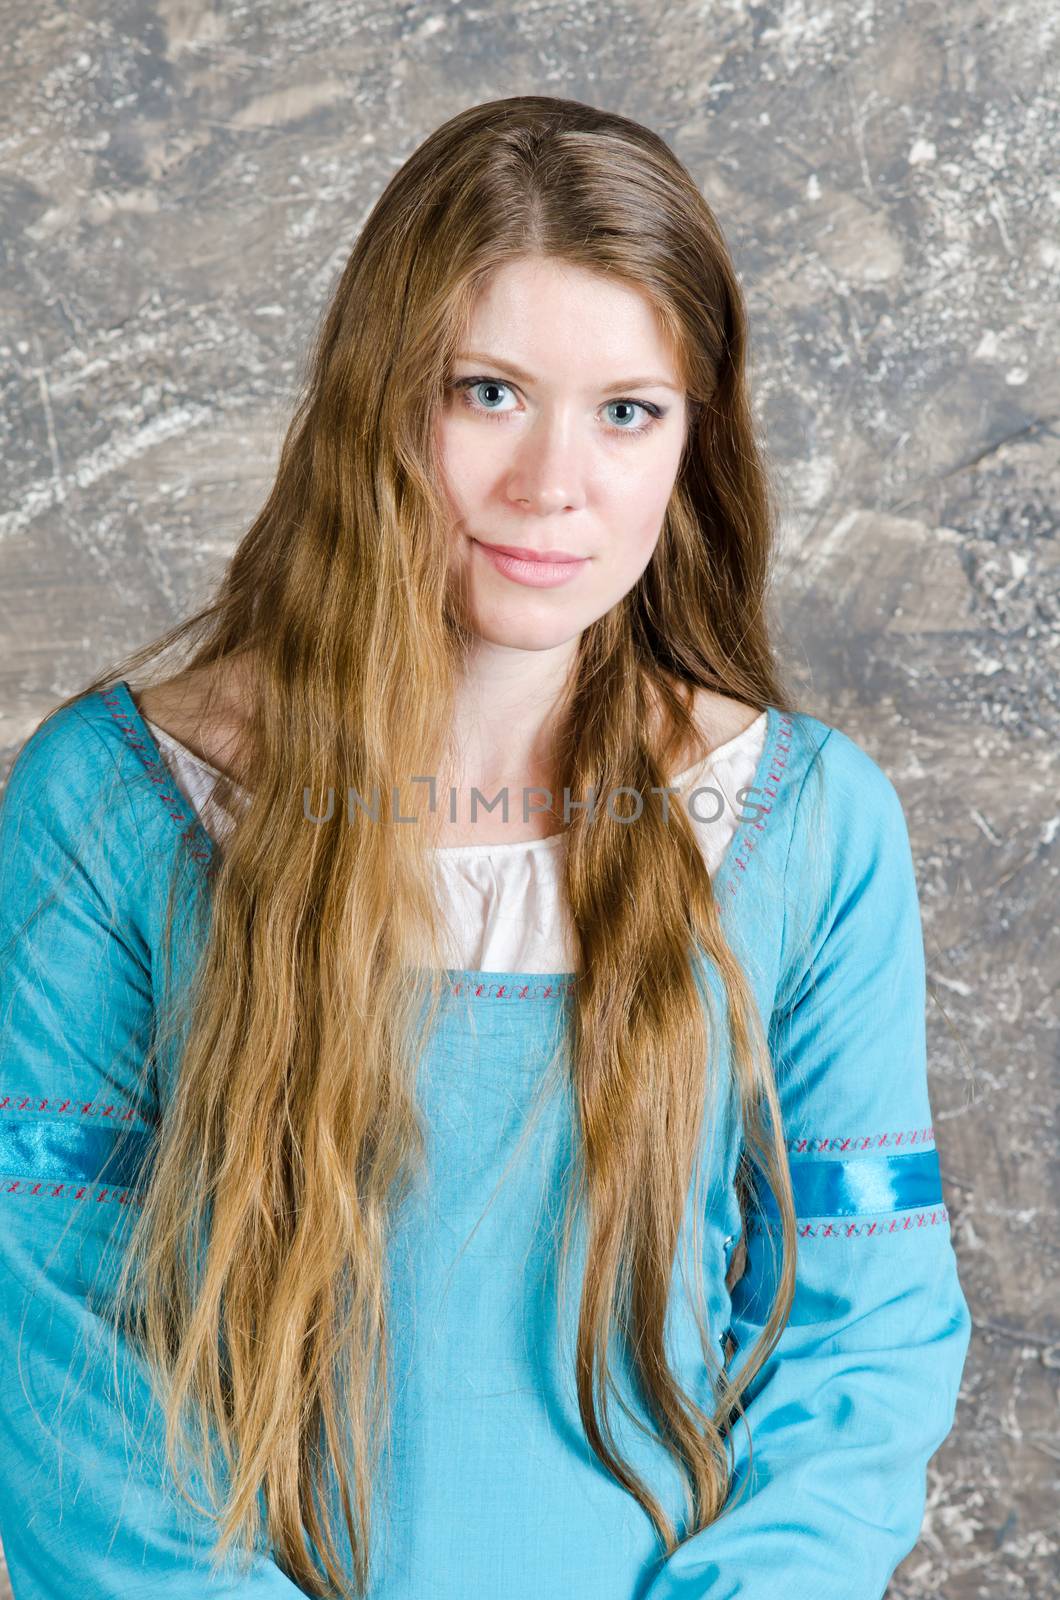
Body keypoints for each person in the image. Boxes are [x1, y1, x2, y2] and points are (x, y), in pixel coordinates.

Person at [0, 95, 971, 1600]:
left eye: (627, 411)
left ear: (692, 445)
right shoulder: (116, 800)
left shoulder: (813, 826)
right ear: (377, 400)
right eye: (488, 394)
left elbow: (869, 1343)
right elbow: (52, 1359)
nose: (551, 488)